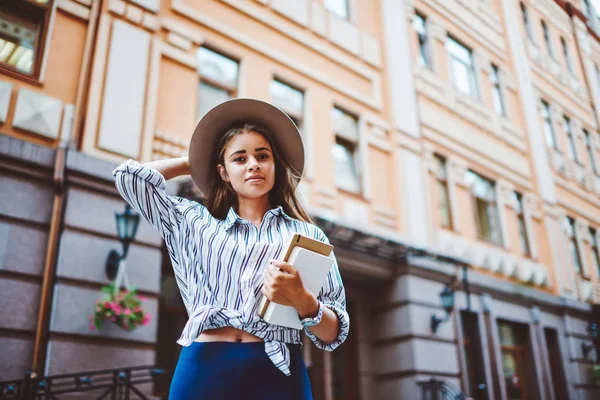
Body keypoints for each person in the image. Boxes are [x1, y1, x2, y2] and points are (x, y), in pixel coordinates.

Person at [112, 98, 350, 400]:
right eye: (239, 159)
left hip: (278, 370)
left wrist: (303, 301)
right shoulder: (195, 223)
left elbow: (334, 334)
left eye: (262, 156)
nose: (253, 164)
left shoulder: (306, 234)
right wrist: (195, 161)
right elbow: (129, 179)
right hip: (204, 367)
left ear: (274, 165)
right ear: (223, 172)